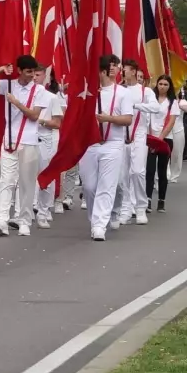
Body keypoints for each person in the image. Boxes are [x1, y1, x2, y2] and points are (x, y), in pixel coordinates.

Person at [0, 55, 50, 237]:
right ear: (19, 70)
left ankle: (24, 220)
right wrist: (1, 69)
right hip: (9, 140)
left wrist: (16, 103)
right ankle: (2, 219)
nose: (31, 76)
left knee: (26, 183)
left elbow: (34, 116)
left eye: (34, 73)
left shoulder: (39, 90)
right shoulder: (8, 85)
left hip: (29, 141)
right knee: (6, 179)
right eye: (28, 72)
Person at [80, 55, 133, 241]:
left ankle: (99, 225)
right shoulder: (88, 92)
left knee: (106, 186)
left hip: (113, 144)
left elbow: (128, 119)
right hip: (90, 145)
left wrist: (108, 118)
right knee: (89, 187)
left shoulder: (123, 93)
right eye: (109, 66)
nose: (113, 69)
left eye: (115, 66)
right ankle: (95, 219)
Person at [117, 59, 160, 226]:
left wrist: (136, 106)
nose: (122, 72)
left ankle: (141, 207)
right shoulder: (119, 90)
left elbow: (155, 108)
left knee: (137, 172)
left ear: (134, 71)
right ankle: (126, 208)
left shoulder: (145, 91)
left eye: (125, 69)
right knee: (123, 175)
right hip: (121, 134)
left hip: (139, 134)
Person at [34, 68, 65, 228]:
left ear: (44, 77)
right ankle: (24, 211)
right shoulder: (25, 95)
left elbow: (57, 123)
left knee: (46, 176)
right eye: (31, 74)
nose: (34, 78)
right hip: (29, 140)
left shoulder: (52, 98)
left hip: (47, 140)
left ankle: (44, 211)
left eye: (37, 75)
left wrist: (39, 120)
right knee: (27, 177)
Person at [147, 75, 178, 214]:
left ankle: (161, 201)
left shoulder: (172, 102)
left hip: (166, 139)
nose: (163, 87)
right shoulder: (150, 99)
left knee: (162, 171)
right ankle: (147, 200)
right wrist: (151, 137)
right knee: (149, 170)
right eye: (160, 84)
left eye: (166, 84)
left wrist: (160, 138)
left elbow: (171, 122)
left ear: (169, 86)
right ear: (157, 84)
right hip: (151, 138)